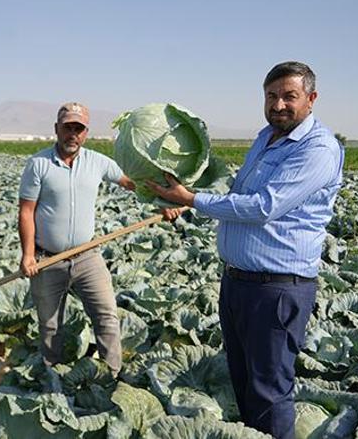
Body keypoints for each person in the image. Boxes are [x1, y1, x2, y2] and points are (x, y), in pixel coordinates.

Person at [147, 61, 344, 439]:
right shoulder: (265, 138)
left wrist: (192, 199)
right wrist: (188, 200)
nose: (279, 104)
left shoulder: (318, 148)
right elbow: (238, 196)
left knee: (269, 392)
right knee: (244, 382)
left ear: (311, 98)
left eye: (289, 96)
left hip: (277, 288)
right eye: (272, 96)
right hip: (238, 283)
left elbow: (263, 206)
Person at [18, 102, 137, 379]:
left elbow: (133, 184)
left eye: (78, 129)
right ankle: (52, 380)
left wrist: (166, 202)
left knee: (107, 317)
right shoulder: (38, 164)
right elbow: (26, 212)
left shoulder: (98, 162)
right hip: (48, 259)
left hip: (88, 256)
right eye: (68, 127)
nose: (73, 134)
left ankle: (111, 377)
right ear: (56, 129)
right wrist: (28, 255)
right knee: (50, 326)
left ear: (86, 133)